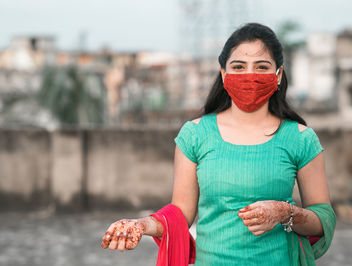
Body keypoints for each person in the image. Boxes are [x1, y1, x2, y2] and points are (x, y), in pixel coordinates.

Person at [100, 22, 336, 265]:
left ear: (277, 76)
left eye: (261, 67)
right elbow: (180, 214)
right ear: (224, 74)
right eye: (239, 67)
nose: (249, 75)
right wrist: (142, 224)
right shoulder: (195, 134)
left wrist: (285, 213)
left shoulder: (300, 138)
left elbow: (323, 218)